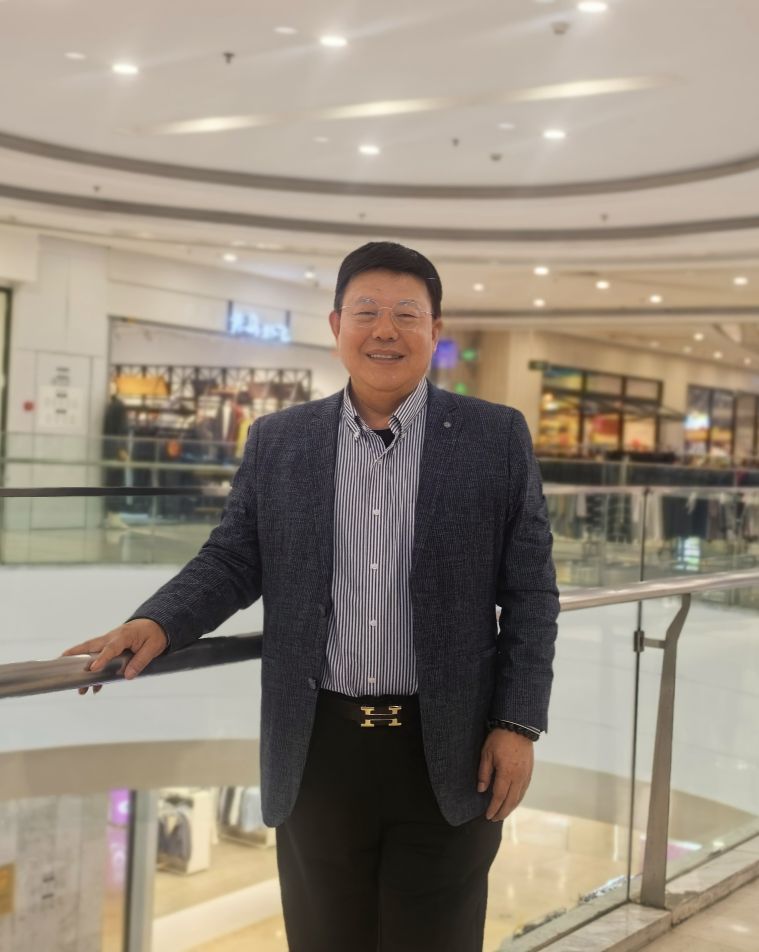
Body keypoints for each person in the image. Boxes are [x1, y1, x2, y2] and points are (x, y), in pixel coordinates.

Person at [64, 241, 559, 952]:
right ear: (335, 326)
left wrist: (517, 723)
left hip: (452, 748)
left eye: (405, 314)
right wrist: (159, 621)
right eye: (366, 312)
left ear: (434, 329)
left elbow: (532, 593)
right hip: (317, 750)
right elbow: (234, 558)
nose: (384, 330)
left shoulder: (494, 437)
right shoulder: (280, 441)